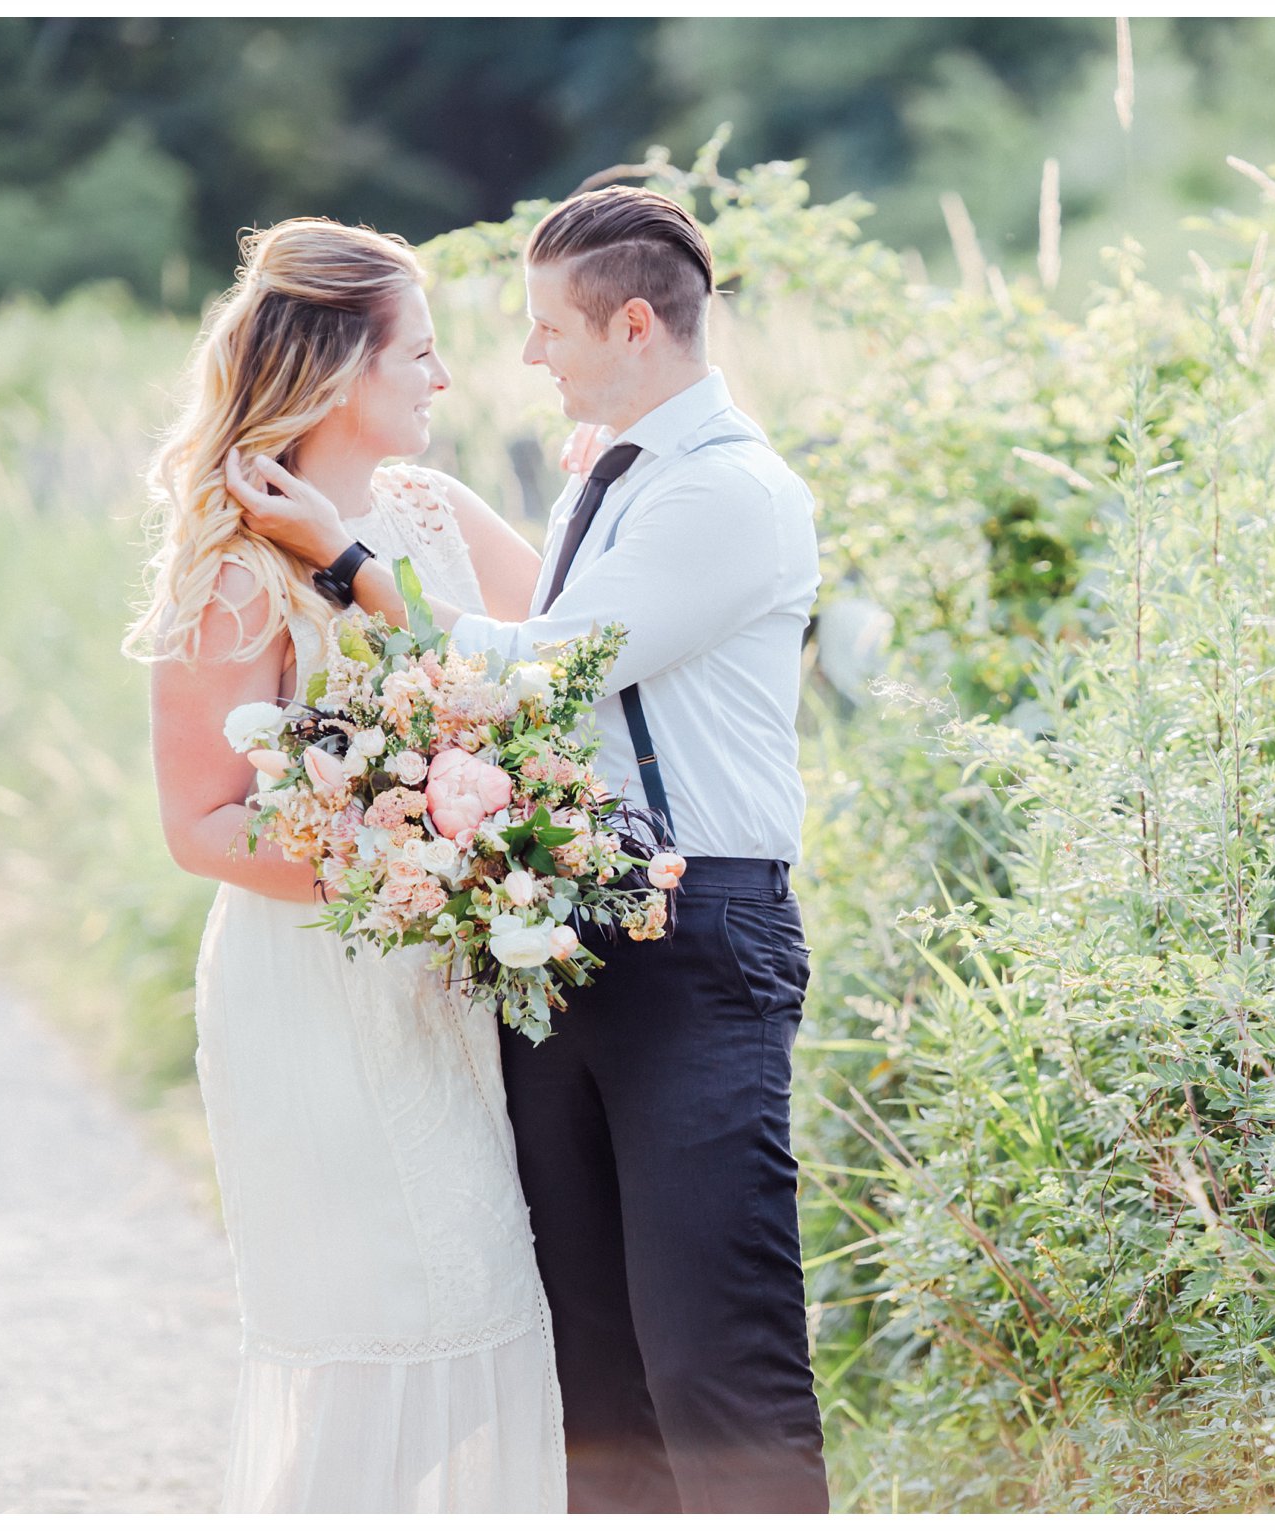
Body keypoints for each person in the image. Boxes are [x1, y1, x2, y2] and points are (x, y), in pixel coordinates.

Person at [228, 185, 828, 1514]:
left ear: (631, 324)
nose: (529, 357)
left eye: (550, 327)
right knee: (597, 1384)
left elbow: (537, 676)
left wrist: (350, 566)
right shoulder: (602, 483)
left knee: (715, 1366)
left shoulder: (725, 495)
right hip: (564, 938)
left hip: (695, 936)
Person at [129, 218, 564, 1511]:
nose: (443, 380)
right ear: (337, 375)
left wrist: (484, 836)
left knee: (499, 1300)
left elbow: (557, 682)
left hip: (451, 992)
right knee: (394, 1318)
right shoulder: (232, 571)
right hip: (317, 990)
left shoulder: (435, 511)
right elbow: (199, 823)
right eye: (418, 354)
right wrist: (405, 855)